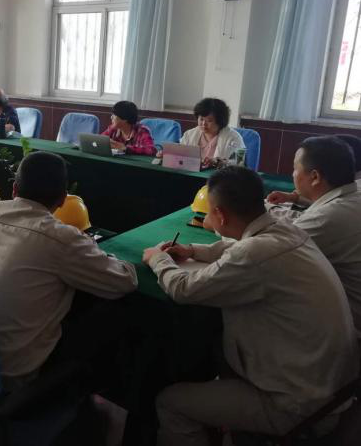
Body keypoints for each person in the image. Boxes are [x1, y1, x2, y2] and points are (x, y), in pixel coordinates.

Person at [142, 166, 358, 445]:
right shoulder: (285, 229)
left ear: (220, 215)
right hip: (330, 385)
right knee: (216, 346)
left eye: (209, 213)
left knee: (169, 402)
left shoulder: (256, 253)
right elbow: (239, 248)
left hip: (298, 405)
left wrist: (157, 259)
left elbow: (184, 289)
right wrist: (193, 250)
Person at [0, 151, 137, 388]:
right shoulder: (61, 238)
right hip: (11, 375)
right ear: (63, 198)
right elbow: (124, 281)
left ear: (14, 189)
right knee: (116, 311)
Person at [267, 136, 361, 338]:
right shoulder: (354, 195)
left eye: (295, 168)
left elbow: (266, 253)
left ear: (315, 177)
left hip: (346, 326)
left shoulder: (328, 217)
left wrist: (231, 225)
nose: (292, 174)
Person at [180, 98, 245, 166]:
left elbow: (239, 163)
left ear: (220, 121)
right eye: (201, 119)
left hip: (221, 172)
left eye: (209, 120)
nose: (204, 123)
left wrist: (219, 162)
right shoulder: (189, 135)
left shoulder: (233, 137)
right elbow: (179, 156)